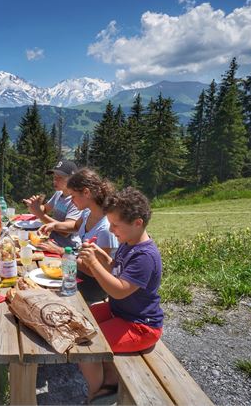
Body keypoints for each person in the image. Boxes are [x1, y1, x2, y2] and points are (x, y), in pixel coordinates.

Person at [76, 187, 164, 403]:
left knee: (85, 347)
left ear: (137, 223)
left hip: (140, 325)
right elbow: (117, 268)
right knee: (78, 322)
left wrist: (93, 263)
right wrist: (102, 257)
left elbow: (119, 290)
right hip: (120, 311)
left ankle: (100, 395)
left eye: (115, 225)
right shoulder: (129, 242)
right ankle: (107, 381)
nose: (111, 229)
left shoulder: (145, 256)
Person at [40, 168, 118, 303]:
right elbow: (76, 226)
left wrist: (62, 252)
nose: (71, 201)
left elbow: (94, 271)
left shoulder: (105, 229)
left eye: (73, 196)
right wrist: (55, 225)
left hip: (94, 286)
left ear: (86, 193)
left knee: (47, 294)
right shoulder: (88, 212)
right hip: (80, 271)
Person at [22, 160, 82, 253]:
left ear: (72, 179)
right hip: (52, 240)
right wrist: (35, 206)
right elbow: (45, 209)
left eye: (60, 177)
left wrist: (40, 214)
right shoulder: (59, 193)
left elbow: (65, 232)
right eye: (54, 177)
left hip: (66, 249)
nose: (55, 180)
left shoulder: (77, 201)